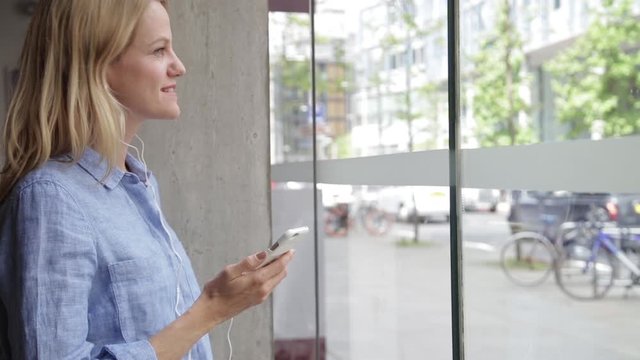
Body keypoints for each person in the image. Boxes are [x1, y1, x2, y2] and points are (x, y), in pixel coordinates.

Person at [0, 0, 293, 359]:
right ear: (98, 64)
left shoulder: (137, 183)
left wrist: (217, 303)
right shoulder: (50, 198)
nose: (179, 66)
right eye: (159, 51)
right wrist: (211, 309)